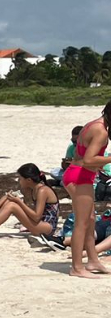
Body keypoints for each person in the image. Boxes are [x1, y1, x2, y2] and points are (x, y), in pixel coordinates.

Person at [62, 103, 111, 278]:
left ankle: (92, 260)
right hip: (79, 178)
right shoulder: (102, 131)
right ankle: (76, 267)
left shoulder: (93, 124)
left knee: (90, 220)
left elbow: (82, 154)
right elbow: (89, 160)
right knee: (81, 223)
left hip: (78, 175)